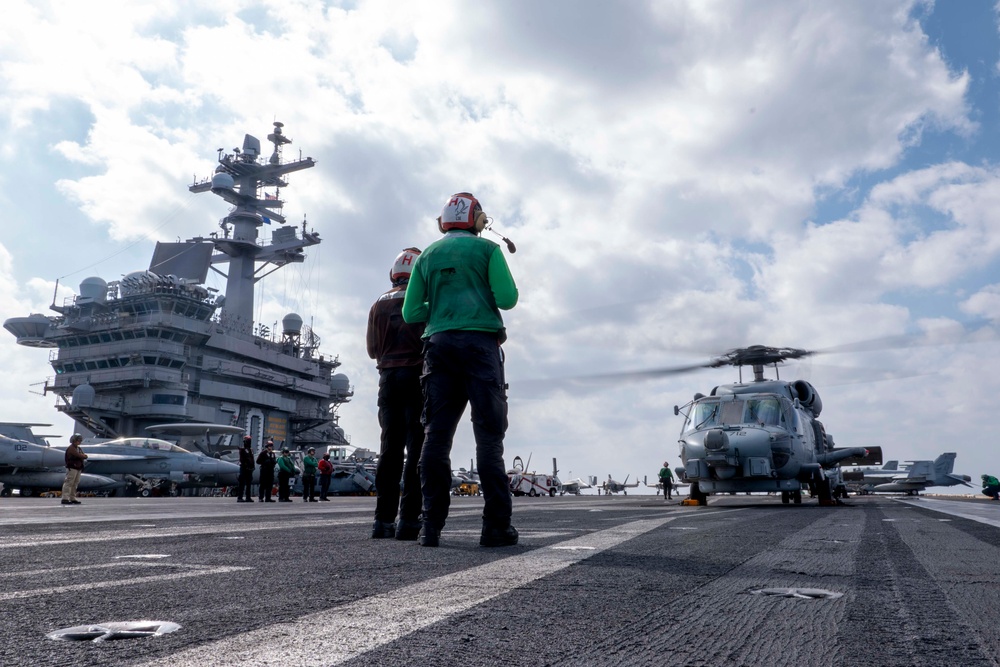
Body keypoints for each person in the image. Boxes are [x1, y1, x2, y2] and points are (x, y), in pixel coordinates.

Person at [402, 192, 518, 548]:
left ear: (443, 222)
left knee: (436, 438)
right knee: (489, 439)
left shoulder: (428, 255)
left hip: (438, 348)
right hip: (481, 348)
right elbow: (507, 299)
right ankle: (496, 527)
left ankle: (430, 526)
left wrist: (439, 311)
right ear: (478, 219)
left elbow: (411, 313)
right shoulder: (488, 251)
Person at [367, 247, 427, 540]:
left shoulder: (377, 303)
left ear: (393, 274)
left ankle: (382, 521)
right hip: (417, 377)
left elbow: (371, 351)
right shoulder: (423, 300)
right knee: (417, 449)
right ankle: (409, 522)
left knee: (390, 450)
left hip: (387, 379)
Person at [61, 434, 88, 505]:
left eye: (79, 440)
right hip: (72, 468)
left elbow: (84, 456)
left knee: (75, 483)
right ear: (74, 441)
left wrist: (83, 456)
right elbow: (80, 455)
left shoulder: (78, 448)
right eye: (78, 440)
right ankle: (65, 498)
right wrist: (83, 456)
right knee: (69, 482)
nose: (79, 442)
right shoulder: (71, 448)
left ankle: (72, 498)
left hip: (78, 468)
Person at [236, 436, 256, 503]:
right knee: (242, 484)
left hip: (249, 469)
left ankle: (248, 497)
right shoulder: (242, 450)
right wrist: (246, 465)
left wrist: (253, 467)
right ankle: (240, 497)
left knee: (249, 484)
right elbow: (242, 459)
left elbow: (252, 459)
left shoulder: (250, 450)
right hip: (244, 468)